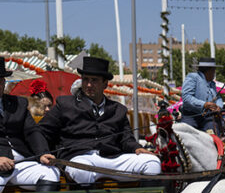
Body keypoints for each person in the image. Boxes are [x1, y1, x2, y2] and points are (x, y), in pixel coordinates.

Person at [36, 56, 160, 184]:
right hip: (80, 159)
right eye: (85, 80)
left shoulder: (118, 109)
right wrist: (43, 152)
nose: (89, 85)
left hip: (112, 159)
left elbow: (126, 139)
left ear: (105, 83)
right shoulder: (65, 104)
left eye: (94, 80)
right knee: (81, 171)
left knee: (152, 163)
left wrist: (136, 148)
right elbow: (40, 131)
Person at [0, 56, 60, 193]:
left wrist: (43, 153)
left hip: (22, 163)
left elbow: (32, 131)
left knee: (51, 173)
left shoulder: (19, 103)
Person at [180, 57, 224, 132]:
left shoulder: (212, 83)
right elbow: (186, 97)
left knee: (213, 133)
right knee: (188, 134)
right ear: (209, 71)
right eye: (214, 71)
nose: (214, 74)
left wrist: (219, 106)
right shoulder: (193, 77)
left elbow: (218, 97)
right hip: (191, 116)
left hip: (208, 118)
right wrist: (203, 104)